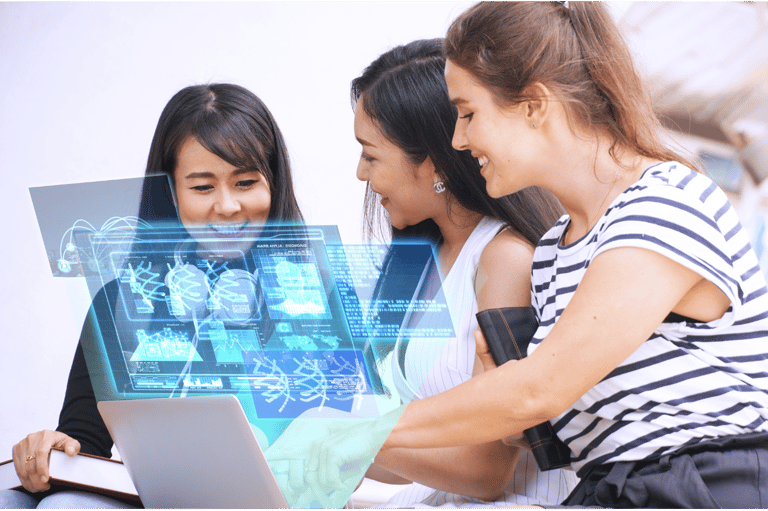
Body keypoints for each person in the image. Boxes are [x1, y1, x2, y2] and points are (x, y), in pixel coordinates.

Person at [300, 3, 768, 509]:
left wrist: (364, 431)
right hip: (610, 486)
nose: (458, 140)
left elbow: (539, 388)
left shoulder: (666, 201)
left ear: (533, 106)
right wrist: (512, 416)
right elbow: (539, 422)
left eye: (468, 114)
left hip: (706, 478)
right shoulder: (554, 252)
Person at [2, 83, 303, 509]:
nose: (229, 205)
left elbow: (343, 440)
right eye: (202, 187)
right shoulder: (121, 301)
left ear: (273, 183)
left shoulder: (312, 297)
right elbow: (84, 442)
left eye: (247, 182)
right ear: (170, 193)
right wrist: (51, 450)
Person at [349, 39, 573, 508]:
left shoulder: (504, 258)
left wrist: (347, 440)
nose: (360, 174)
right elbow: (410, 453)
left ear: (432, 162)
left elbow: (484, 471)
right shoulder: (417, 260)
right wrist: (306, 447)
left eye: (370, 154)